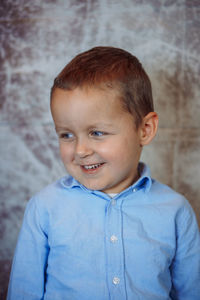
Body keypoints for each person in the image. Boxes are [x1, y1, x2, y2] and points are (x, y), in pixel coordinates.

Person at [7, 46, 200, 300]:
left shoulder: (175, 211)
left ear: (145, 129)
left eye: (97, 132)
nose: (80, 150)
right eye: (66, 135)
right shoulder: (44, 209)